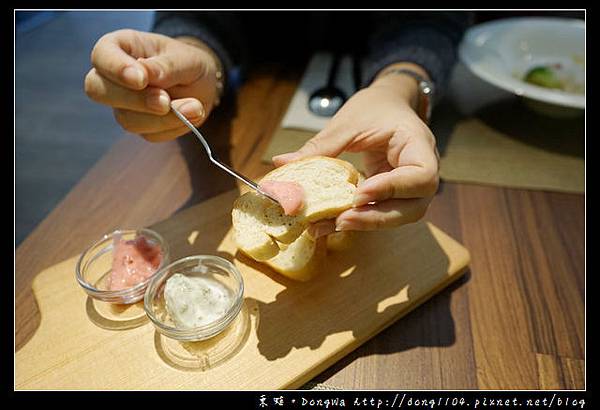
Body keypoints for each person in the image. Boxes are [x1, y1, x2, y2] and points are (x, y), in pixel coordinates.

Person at [84, 11, 471, 235]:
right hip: (257, 79)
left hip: (384, 72)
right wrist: (191, 53)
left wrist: (402, 83)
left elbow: (432, 20)